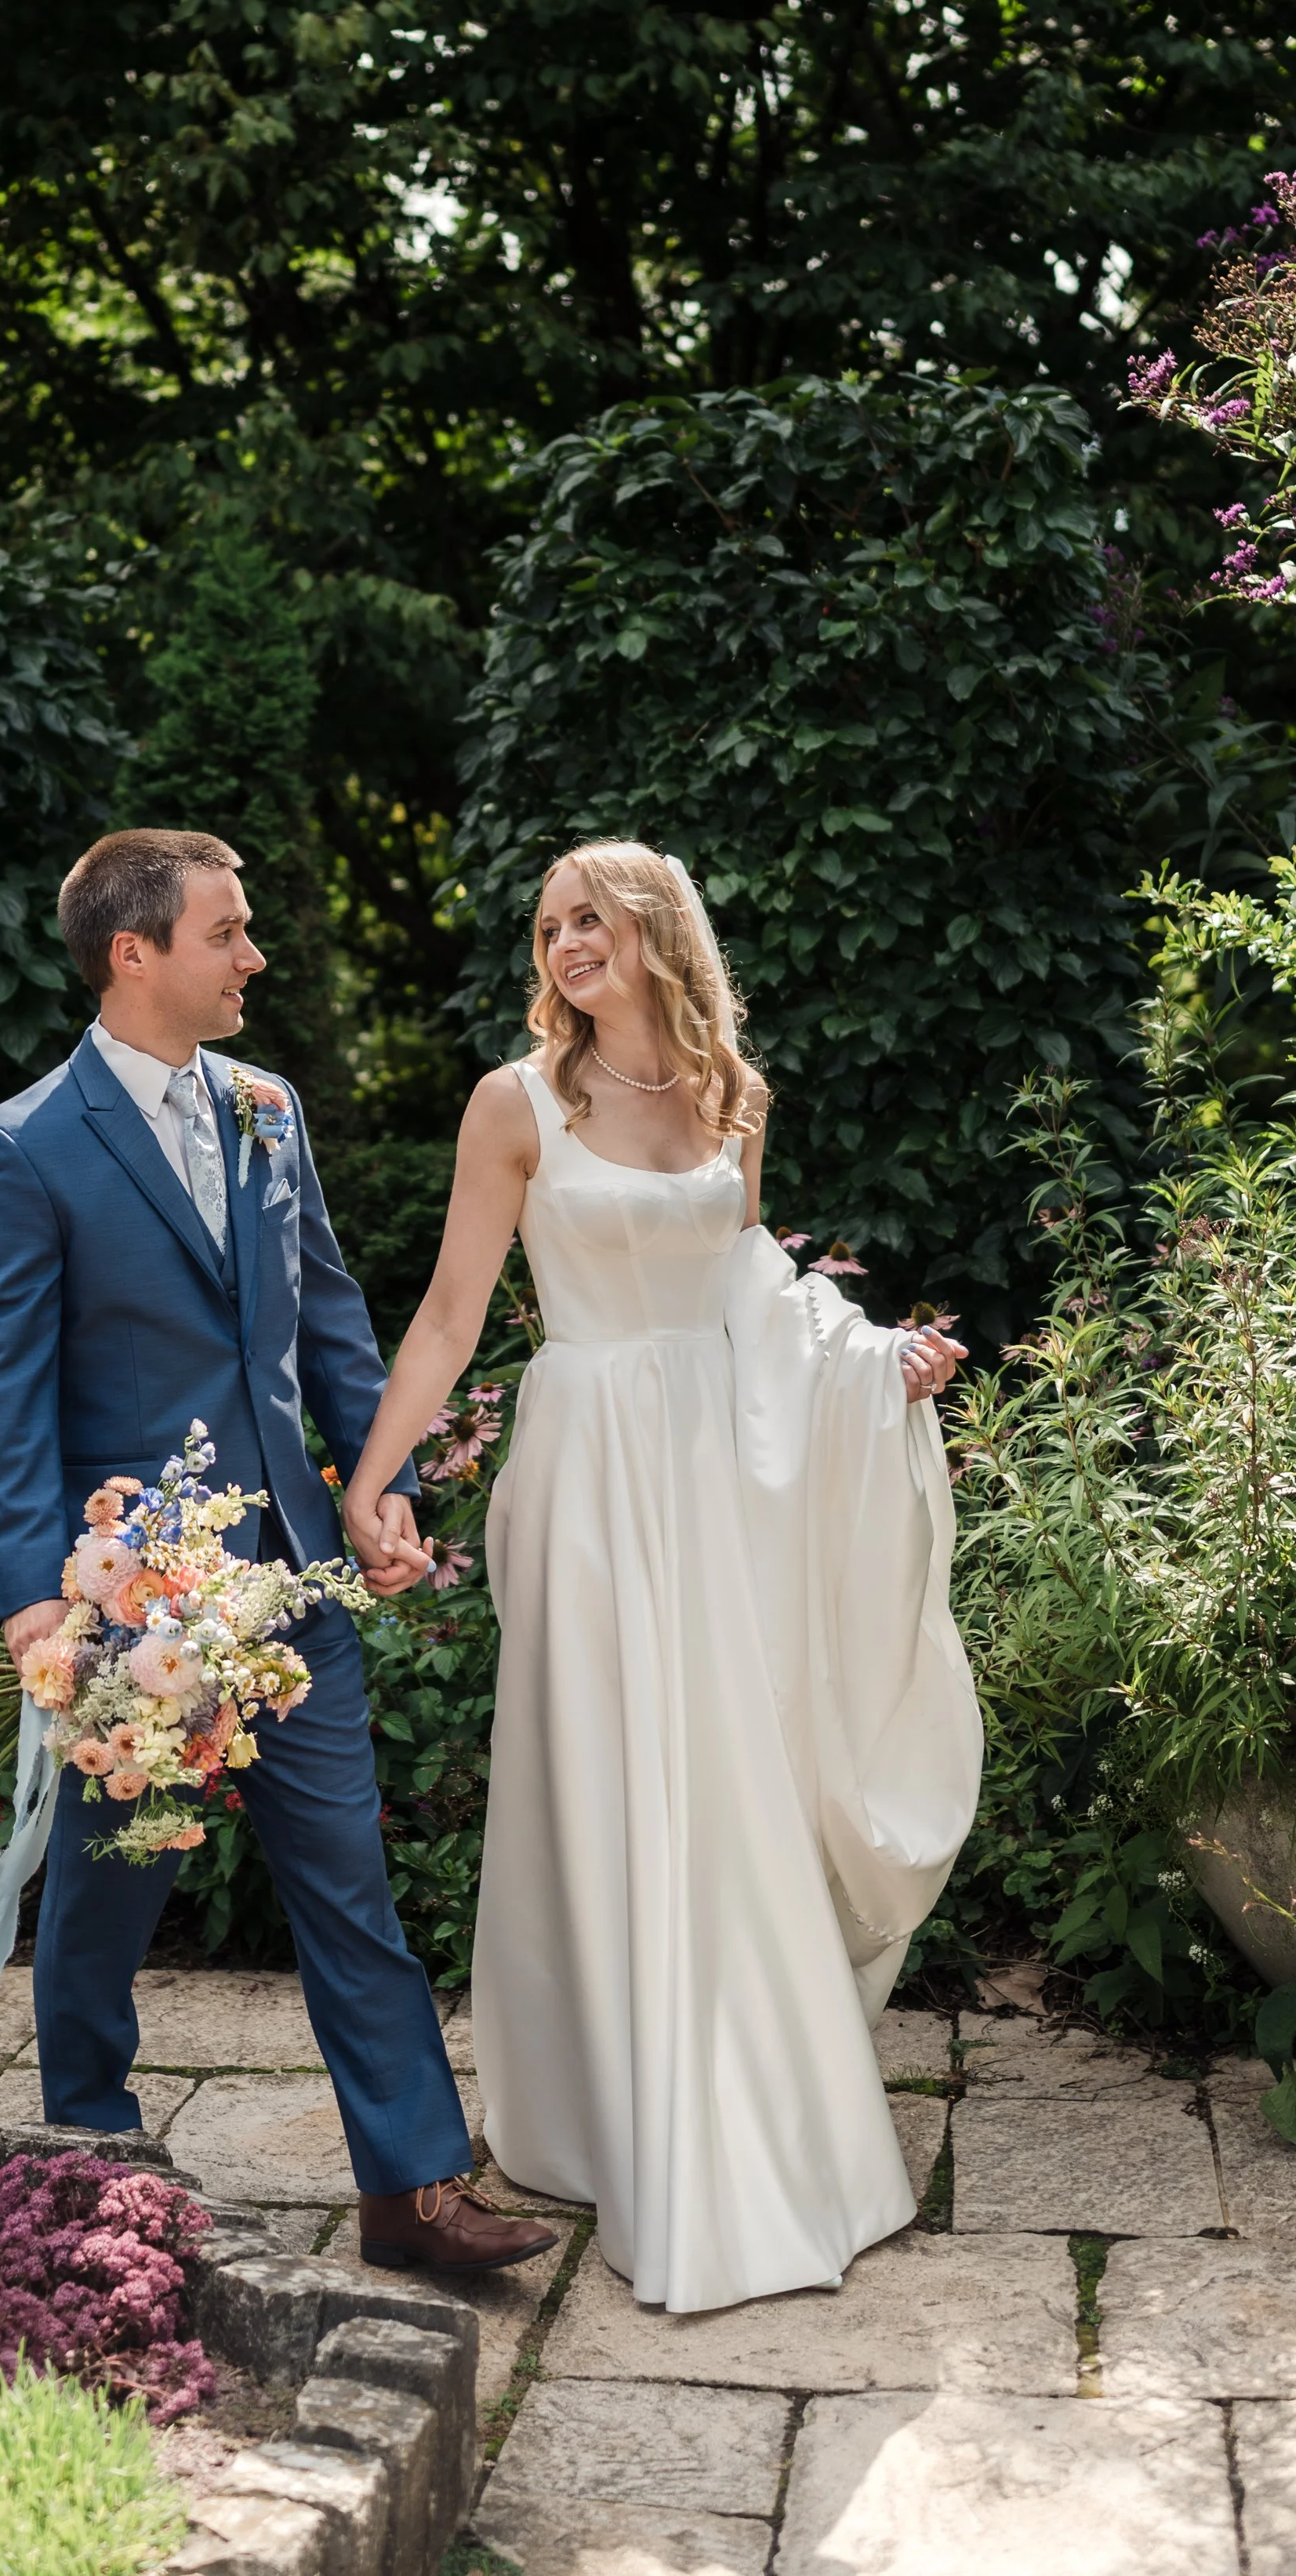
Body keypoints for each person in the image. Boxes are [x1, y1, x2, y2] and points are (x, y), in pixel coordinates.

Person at [344, 842, 983, 2313]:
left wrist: (881, 1364)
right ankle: (615, 2116)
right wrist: (377, 1475)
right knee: (612, 1776)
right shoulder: (515, 1105)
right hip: (587, 1473)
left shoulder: (727, 1096)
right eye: (550, 925)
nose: (566, 944)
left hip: (714, 1478)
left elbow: (757, 1294)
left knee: (723, 1777)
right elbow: (451, 1314)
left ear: (655, 933)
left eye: (592, 919)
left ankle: (747, 2115)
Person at [0, 827, 556, 2275]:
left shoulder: (270, 1108)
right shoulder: (21, 1147)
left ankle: (410, 2189)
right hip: (135, 1601)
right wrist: (40, 1605)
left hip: (289, 1582)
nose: (255, 956)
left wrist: (380, 1479)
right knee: (108, 1890)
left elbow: (327, 1319)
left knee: (350, 1880)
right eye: (229, 931)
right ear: (134, 951)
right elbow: (4, 1399)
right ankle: (89, 2156)